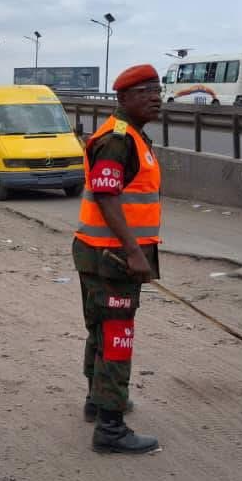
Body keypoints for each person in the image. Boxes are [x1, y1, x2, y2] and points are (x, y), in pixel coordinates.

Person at [73, 64, 164, 454]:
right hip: (113, 256)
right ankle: (110, 428)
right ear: (124, 99)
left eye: (158, 89)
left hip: (101, 252)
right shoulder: (118, 139)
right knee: (116, 335)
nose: (156, 96)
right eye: (145, 91)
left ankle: (98, 401)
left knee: (101, 328)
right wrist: (132, 252)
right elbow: (108, 196)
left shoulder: (131, 136)